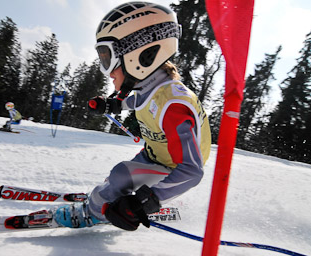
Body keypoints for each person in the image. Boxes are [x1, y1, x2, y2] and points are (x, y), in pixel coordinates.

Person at [53, 1, 211, 231]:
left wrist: (142, 203)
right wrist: (110, 105)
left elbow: (192, 172)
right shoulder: (153, 89)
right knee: (117, 179)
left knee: (121, 175)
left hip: (171, 168)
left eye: (108, 59)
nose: (107, 73)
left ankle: (91, 213)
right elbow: (138, 100)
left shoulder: (173, 104)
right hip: (154, 156)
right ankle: (108, 195)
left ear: (139, 56)